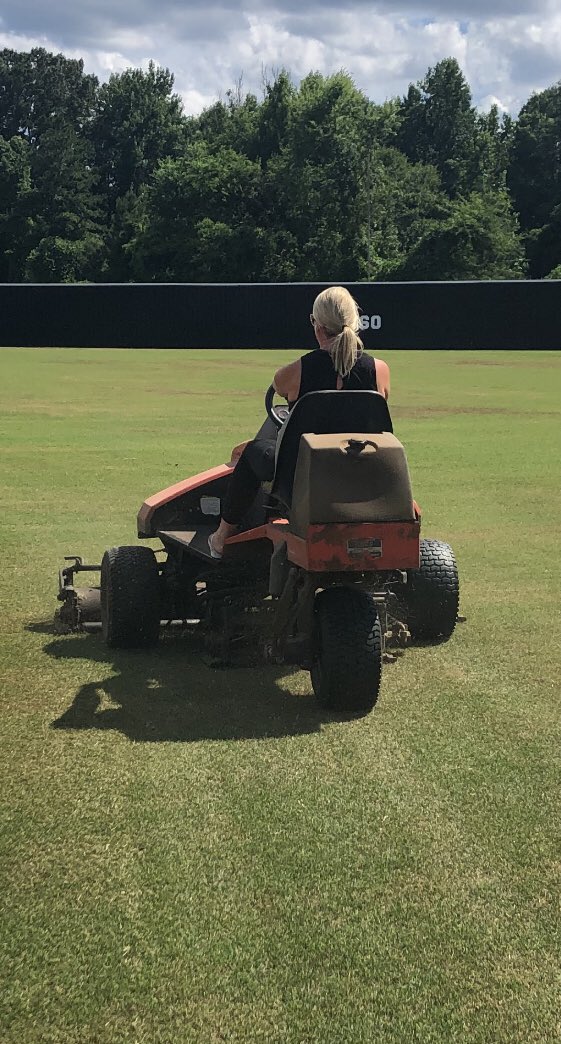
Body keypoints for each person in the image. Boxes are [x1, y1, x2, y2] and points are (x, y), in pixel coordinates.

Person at [208, 286, 391, 558]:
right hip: (360, 472)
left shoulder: (295, 372)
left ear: (317, 327)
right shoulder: (379, 371)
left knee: (254, 453)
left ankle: (222, 536)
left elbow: (278, 387)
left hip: (302, 478)